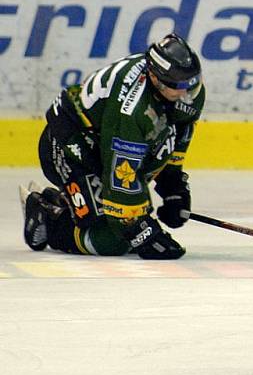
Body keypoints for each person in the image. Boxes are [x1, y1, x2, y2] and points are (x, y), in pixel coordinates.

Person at [20, 34, 204, 261]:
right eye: (179, 87)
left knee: (129, 220)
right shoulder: (131, 111)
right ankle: (49, 217)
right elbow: (121, 181)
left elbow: (179, 134)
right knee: (113, 240)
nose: (188, 94)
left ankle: (68, 201)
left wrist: (173, 186)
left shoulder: (183, 89)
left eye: (192, 84)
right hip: (71, 148)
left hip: (105, 145)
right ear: (156, 79)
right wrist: (141, 231)